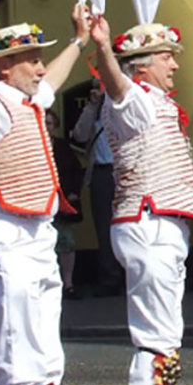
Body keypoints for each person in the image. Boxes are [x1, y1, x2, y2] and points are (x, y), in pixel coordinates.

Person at [90, 16, 193, 385]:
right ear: (141, 67)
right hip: (149, 224)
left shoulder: (153, 101)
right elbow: (116, 85)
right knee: (155, 337)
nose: (175, 66)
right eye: (167, 58)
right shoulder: (134, 99)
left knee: (163, 334)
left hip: (160, 225)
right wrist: (105, 49)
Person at [0, 4, 90, 385]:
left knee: (47, 350)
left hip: (39, 232)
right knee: (18, 345)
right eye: (31, 58)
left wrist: (80, 41)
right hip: (8, 230)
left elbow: (51, 84)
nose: (40, 67)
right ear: (4, 67)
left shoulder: (25, 99)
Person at [72, 79, 122, 296]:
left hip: (124, 173)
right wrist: (92, 106)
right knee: (104, 228)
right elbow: (80, 135)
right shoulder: (93, 114)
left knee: (128, 226)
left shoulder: (123, 109)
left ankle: (130, 276)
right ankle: (109, 279)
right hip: (101, 173)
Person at [45, 109, 84, 300]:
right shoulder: (31, 146)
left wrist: (74, 193)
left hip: (62, 202)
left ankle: (68, 284)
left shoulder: (62, 146)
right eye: (43, 123)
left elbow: (76, 170)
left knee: (66, 242)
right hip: (39, 204)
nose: (46, 127)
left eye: (50, 123)